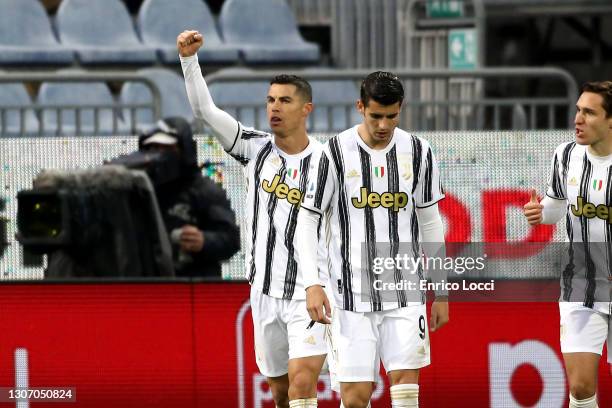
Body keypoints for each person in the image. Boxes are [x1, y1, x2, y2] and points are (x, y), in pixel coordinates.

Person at [177, 30, 327, 408]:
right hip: (263, 291)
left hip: (307, 291)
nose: (274, 108)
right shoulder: (255, 148)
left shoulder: (329, 162)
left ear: (306, 109)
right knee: (280, 393)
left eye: (285, 101)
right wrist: (188, 61)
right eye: (270, 100)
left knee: (303, 383)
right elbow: (205, 112)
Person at [297, 71, 450, 408]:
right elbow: (308, 221)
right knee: (354, 399)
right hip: (350, 295)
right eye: (376, 115)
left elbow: (430, 221)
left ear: (401, 109)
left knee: (407, 392)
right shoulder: (334, 153)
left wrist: (441, 288)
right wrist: (312, 283)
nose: (383, 124)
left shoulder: (419, 151)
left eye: (392, 116)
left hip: (406, 291)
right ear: (360, 107)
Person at [523, 81, 612, 408]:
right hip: (581, 284)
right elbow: (556, 207)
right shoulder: (565, 155)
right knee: (581, 386)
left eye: (589, 112)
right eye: (578, 110)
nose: (578, 118)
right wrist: (539, 213)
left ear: (610, 120)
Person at [139, 116, 240, 278]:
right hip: (149, 288)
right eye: (152, 149)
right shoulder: (139, 191)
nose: (159, 156)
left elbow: (231, 240)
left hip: (197, 287)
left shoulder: (205, 191)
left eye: (166, 149)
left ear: (183, 149)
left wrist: (204, 241)